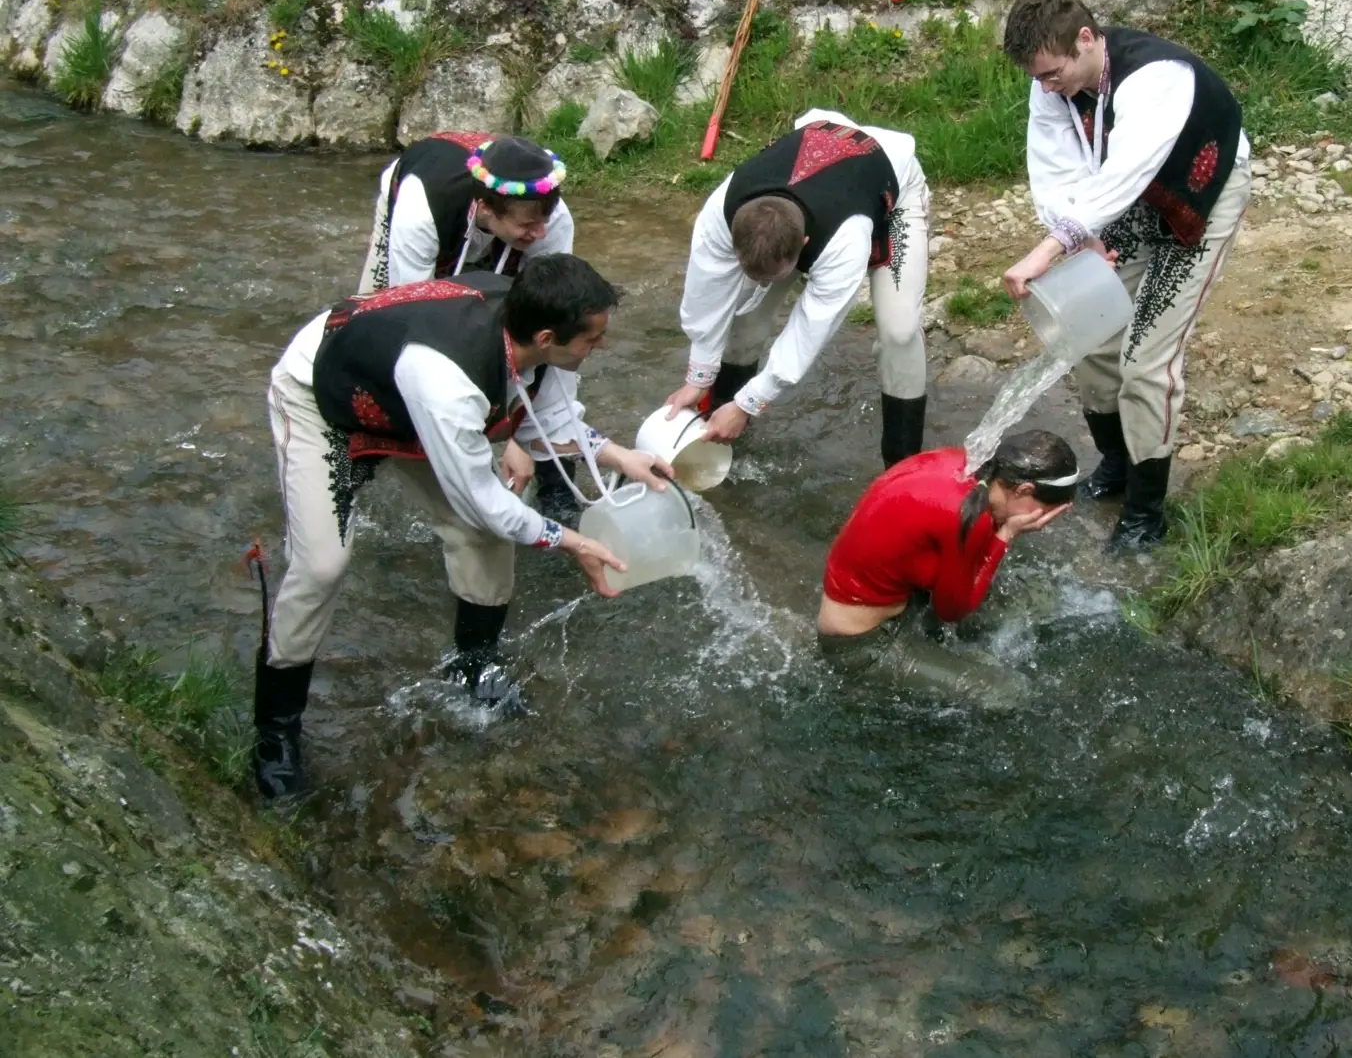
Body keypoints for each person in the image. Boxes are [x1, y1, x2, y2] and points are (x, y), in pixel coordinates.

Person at [256, 254, 671, 799]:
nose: (600, 348)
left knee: (484, 538)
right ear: (546, 336)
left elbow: (550, 418)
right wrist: (571, 541)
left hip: (403, 392)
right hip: (323, 393)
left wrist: (618, 456)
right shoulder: (448, 385)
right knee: (322, 566)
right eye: (592, 340)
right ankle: (275, 730)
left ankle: (473, 668)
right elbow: (482, 501)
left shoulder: (531, 327)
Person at [998, 0, 1251, 554]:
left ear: (1087, 39)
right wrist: (1077, 233)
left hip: (1198, 199)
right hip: (1123, 202)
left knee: (1146, 363)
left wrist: (1049, 250)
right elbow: (1056, 171)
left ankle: (1145, 512)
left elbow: (1125, 175)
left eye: (1052, 73)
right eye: (1037, 77)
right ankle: (1116, 463)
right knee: (1089, 334)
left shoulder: (1158, 77)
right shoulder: (1053, 86)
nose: (1045, 87)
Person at [664, 108, 932, 468]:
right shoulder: (720, 213)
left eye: (770, 276)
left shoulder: (843, 243)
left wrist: (749, 403)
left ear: (805, 244)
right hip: (814, 177)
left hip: (889, 187)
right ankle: (722, 439)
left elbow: (809, 330)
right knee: (745, 316)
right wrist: (698, 376)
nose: (761, 283)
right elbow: (707, 295)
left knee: (898, 332)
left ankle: (902, 466)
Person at [357, 131, 582, 523]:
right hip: (425, 213)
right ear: (486, 209)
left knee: (550, 335)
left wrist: (520, 438)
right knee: (376, 331)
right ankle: (365, 458)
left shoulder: (549, 219)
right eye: (530, 224)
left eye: (544, 220)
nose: (542, 233)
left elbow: (544, 328)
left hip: (493, 222)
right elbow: (417, 324)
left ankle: (556, 478)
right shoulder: (421, 211)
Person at [819, 430, 1076, 642]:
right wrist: (1007, 534)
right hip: (856, 642)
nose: (1043, 522)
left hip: (881, 600)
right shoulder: (970, 517)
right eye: (1044, 513)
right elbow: (952, 612)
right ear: (1024, 489)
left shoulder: (970, 467)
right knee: (1008, 694)